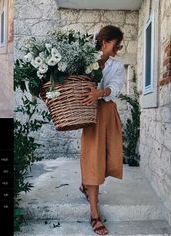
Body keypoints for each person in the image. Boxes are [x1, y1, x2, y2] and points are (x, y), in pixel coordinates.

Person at [79, 25, 125, 235]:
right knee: (93, 156)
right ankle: (94, 214)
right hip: (91, 114)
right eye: (116, 46)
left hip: (107, 112)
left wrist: (100, 92)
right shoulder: (85, 59)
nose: (117, 51)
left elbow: (115, 88)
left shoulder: (117, 66)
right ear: (105, 43)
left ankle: (85, 184)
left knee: (105, 156)